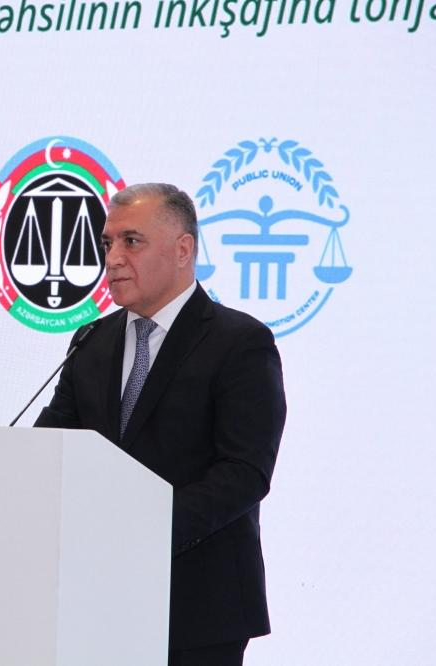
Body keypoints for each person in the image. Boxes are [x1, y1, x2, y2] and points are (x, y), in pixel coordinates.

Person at [34, 183, 286, 666]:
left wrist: (139, 529)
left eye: (131, 241)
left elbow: (244, 472)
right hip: (95, 603)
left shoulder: (240, 342)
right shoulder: (91, 340)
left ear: (183, 250)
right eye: (108, 243)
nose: (113, 258)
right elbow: (50, 450)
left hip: (198, 608)